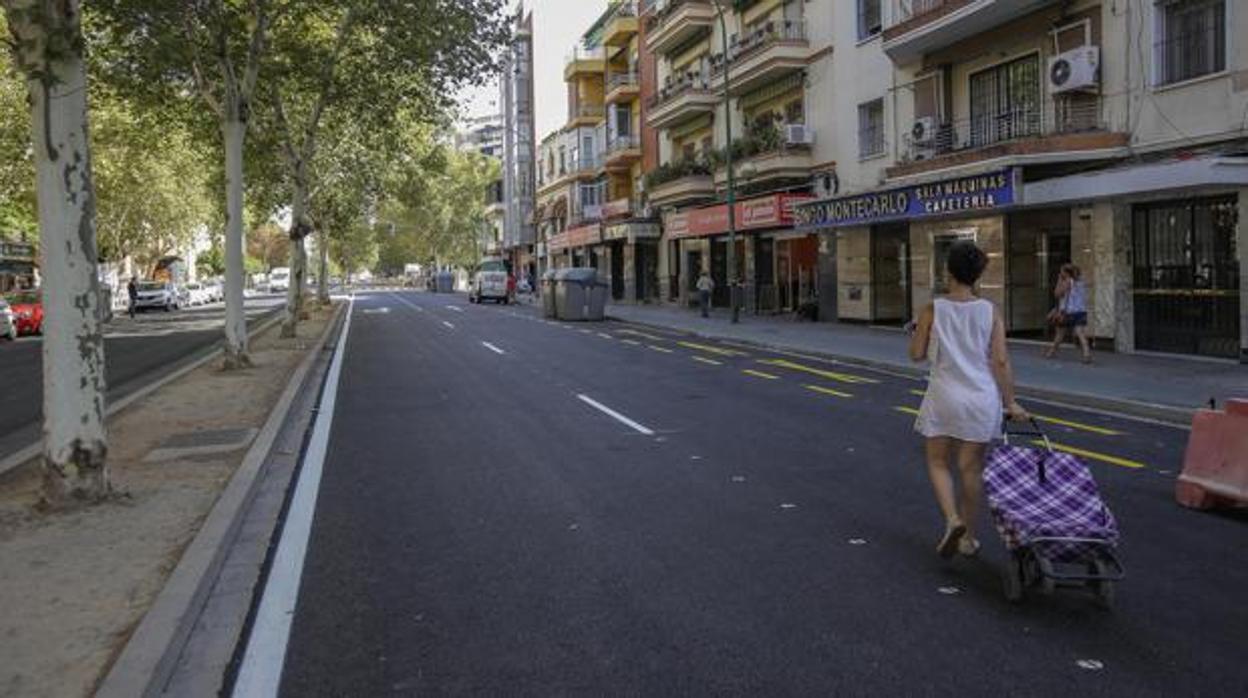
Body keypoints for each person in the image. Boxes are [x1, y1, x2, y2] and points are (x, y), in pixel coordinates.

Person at [909, 240, 1027, 559]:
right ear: (978, 275)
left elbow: (917, 355)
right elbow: (1000, 361)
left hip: (945, 394)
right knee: (970, 469)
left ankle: (951, 519)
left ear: (948, 271)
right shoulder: (991, 311)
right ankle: (969, 538)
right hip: (981, 398)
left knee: (937, 461)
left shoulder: (933, 308)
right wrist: (1011, 402)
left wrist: (919, 332)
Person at [1044, 263, 1092, 363]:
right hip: (1081, 310)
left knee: (1060, 334)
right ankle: (1086, 354)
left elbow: (1057, 294)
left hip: (1067, 312)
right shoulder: (1081, 281)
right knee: (1080, 333)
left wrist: (1059, 281)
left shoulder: (1067, 282)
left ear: (1066, 273)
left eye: (1061, 271)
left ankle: (1051, 352)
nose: (1060, 273)